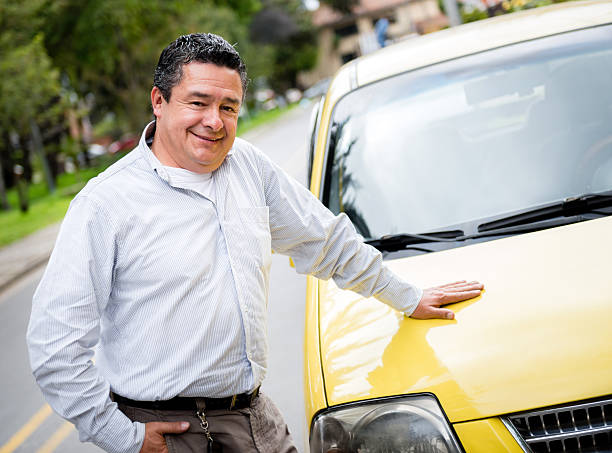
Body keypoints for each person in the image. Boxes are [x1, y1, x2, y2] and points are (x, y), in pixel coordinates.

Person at [26, 33, 484, 453]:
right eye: (198, 102)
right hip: (164, 434)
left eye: (229, 107)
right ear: (159, 102)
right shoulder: (104, 205)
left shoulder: (248, 166)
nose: (215, 121)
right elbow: (55, 345)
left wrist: (406, 296)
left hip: (254, 419)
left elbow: (326, 243)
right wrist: (122, 437)